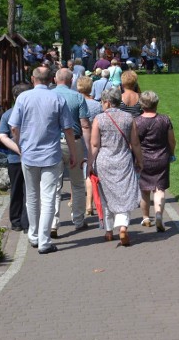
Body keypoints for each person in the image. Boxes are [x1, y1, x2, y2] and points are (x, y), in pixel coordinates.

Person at [8, 66, 78, 255]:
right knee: (48, 198)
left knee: (31, 196)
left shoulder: (23, 98)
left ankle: (33, 235)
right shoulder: (57, 98)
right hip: (50, 155)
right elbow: (68, 129)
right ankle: (44, 240)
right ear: (51, 80)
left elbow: (14, 127)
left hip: (29, 155)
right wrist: (73, 153)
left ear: (33, 79)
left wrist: (20, 146)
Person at [89, 87, 143, 246]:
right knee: (124, 194)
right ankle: (123, 226)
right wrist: (140, 160)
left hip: (104, 161)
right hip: (124, 160)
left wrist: (90, 164)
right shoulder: (128, 117)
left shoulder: (99, 119)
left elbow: (94, 144)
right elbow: (135, 143)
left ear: (106, 102)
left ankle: (108, 230)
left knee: (105, 196)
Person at [52, 68, 91, 237]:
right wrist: (89, 150)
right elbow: (85, 125)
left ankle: (52, 222)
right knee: (77, 183)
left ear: (55, 79)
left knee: (53, 185)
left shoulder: (49, 96)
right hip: (74, 141)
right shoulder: (77, 97)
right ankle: (78, 220)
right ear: (71, 81)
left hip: (53, 144)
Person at [135, 91, 176, 232]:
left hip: (143, 159)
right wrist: (172, 153)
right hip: (161, 158)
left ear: (141, 104)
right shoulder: (165, 120)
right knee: (160, 189)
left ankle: (146, 217)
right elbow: (172, 141)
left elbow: (134, 143)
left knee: (144, 190)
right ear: (156, 104)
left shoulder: (137, 121)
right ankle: (159, 214)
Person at [0, 83, 31, 232]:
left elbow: (2, 136)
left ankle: (16, 221)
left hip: (14, 159)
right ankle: (26, 222)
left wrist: (17, 150)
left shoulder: (7, 114)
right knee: (29, 190)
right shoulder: (32, 113)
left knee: (16, 190)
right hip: (30, 157)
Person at [77, 75, 102, 216]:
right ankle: (89, 204)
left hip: (78, 138)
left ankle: (81, 202)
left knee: (76, 171)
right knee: (89, 172)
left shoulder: (75, 102)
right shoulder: (97, 105)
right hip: (93, 140)